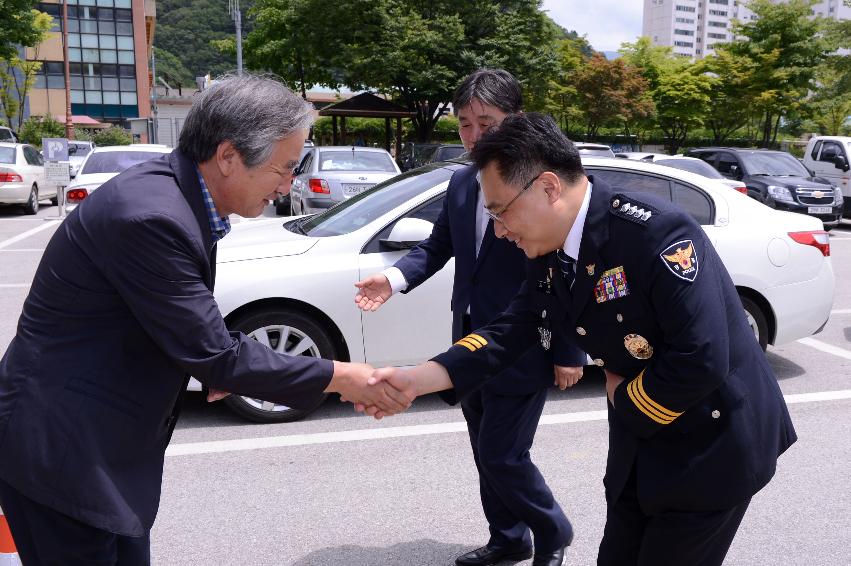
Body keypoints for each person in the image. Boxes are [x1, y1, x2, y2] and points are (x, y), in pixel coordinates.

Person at [0, 74, 410, 565]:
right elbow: (216, 354)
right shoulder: (151, 217)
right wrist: (345, 377)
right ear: (229, 155)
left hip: (101, 448)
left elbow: (189, 325)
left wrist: (206, 360)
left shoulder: (181, 198)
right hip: (64, 452)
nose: (288, 184)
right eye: (282, 168)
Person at [365, 113, 797, 566]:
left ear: (548, 187)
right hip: (641, 443)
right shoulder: (549, 248)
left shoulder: (654, 233)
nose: (498, 230)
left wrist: (624, 398)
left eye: (499, 211)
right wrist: (417, 380)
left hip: (713, 443)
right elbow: (514, 327)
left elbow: (703, 357)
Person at [354, 70, 584, 566]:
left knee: (505, 454)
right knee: (485, 451)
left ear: (516, 120)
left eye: (488, 122)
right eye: (464, 125)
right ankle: (507, 538)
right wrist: (391, 280)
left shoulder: (542, 190)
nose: (475, 136)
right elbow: (438, 247)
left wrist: (569, 352)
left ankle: (551, 531)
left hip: (524, 345)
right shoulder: (460, 183)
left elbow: (567, 275)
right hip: (469, 340)